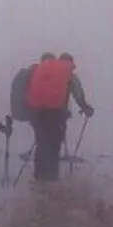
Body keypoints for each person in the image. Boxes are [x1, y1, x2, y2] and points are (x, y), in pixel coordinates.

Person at [26, 52, 94, 181]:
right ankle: (51, 177)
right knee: (54, 143)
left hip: (36, 111)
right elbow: (77, 93)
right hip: (55, 113)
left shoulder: (42, 70)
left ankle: (39, 176)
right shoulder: (68, 73)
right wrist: (85, 108)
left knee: (41, 142)